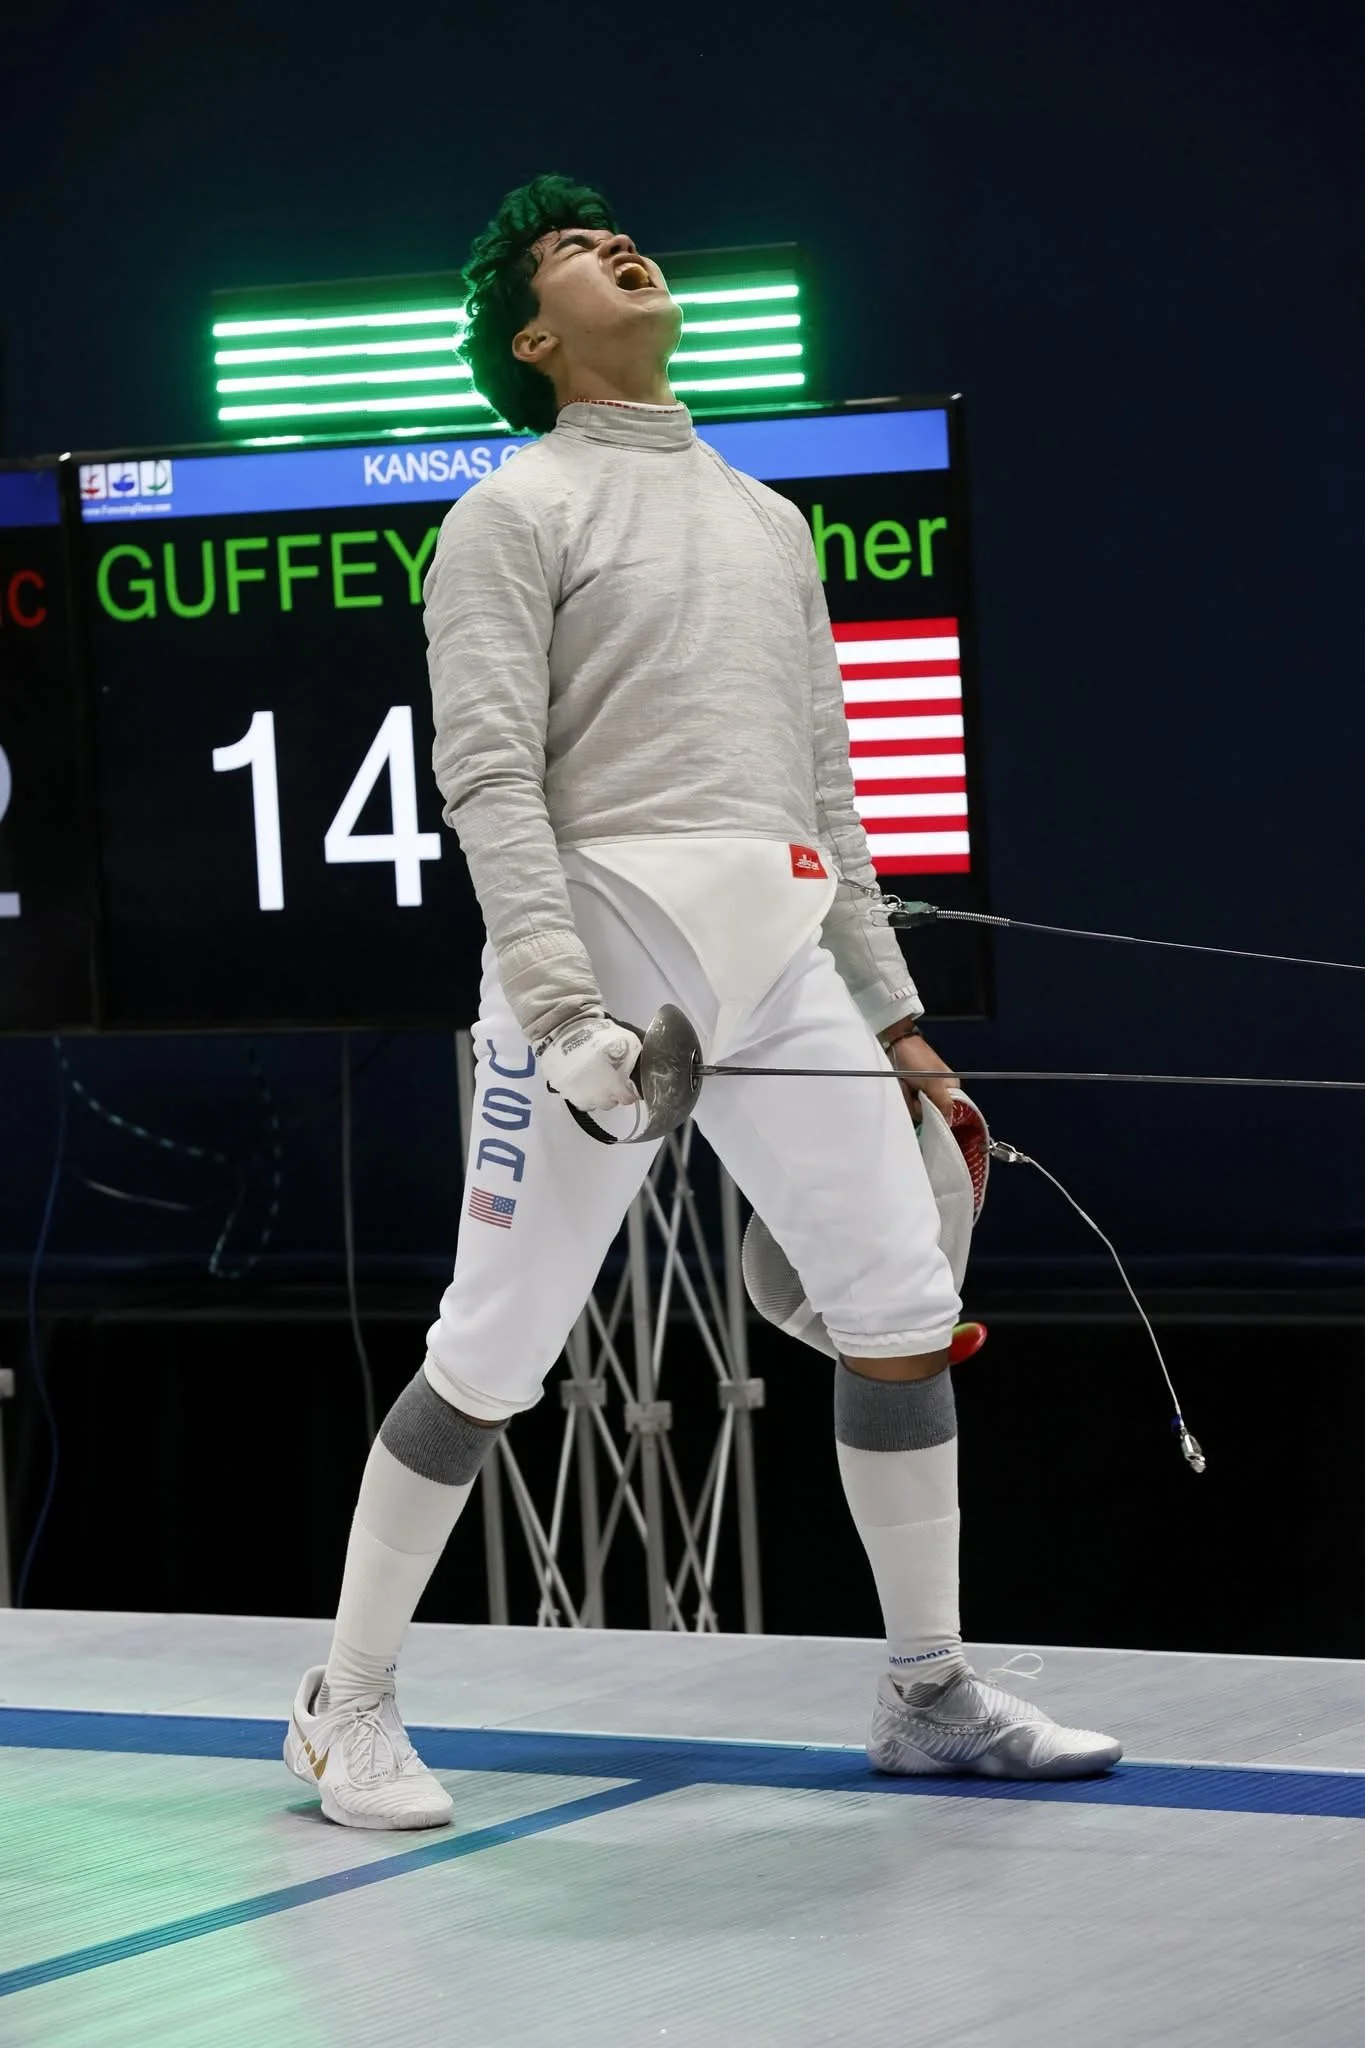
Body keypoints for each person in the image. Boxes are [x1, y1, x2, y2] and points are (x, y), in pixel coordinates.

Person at [285, 175, 1121, 1828]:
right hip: (597, 963)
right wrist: (562, 1008)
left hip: (780, 959)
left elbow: (830, 791)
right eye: (569, 255)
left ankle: (927, 1692)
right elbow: (488, 778)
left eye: (618, 234)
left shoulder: (767, 520)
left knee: (895, 1310)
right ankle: (343, 1701)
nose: (615, 247)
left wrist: (890, 1022)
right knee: (495, 1349)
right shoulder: (509, 514)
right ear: (534, 337)